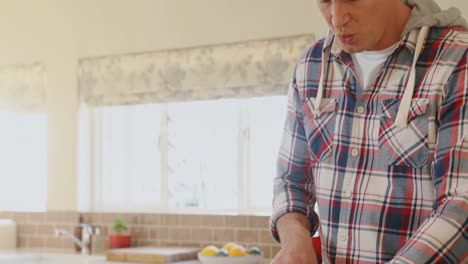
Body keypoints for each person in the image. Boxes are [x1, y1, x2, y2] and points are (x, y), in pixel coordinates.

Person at [269, 0, 468, 263]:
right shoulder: (311, 66)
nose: (337, 19)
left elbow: (461, 203)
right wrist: (295, 237)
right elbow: (290, 181)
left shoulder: (457, 59)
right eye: (325, 1)